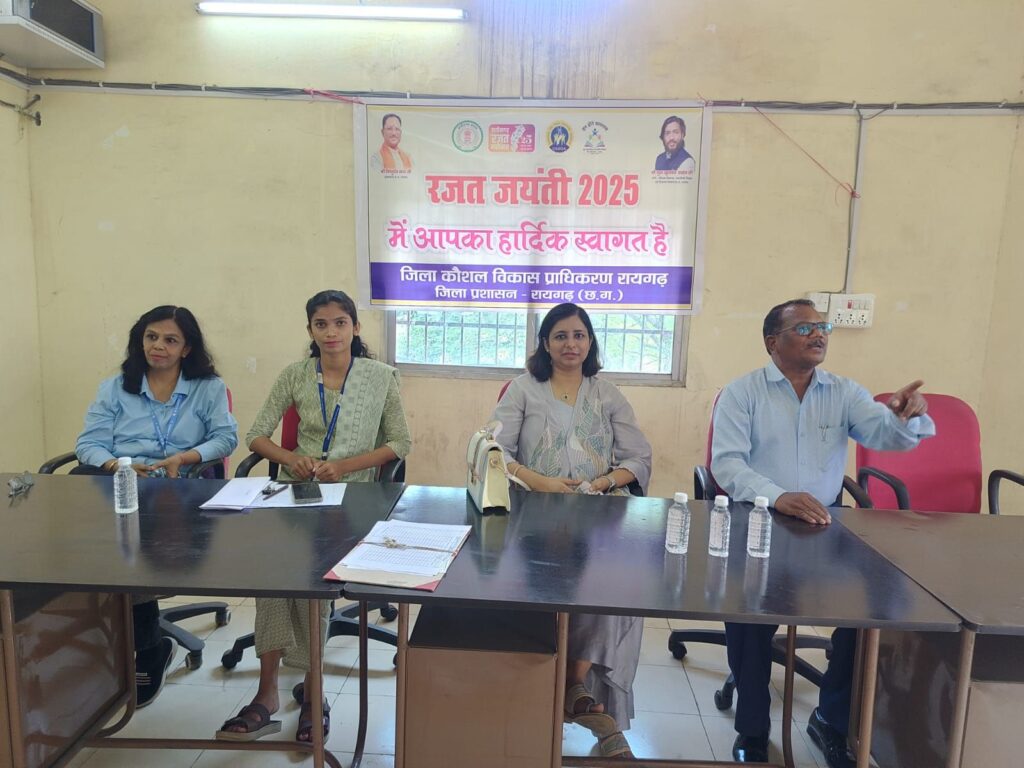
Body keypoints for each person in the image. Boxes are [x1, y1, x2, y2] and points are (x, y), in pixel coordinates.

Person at [710, 298, 935, 767]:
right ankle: (752, 729)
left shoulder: (844, 391)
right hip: (759, 520)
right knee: (747, 613)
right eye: (804, 328)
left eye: (822, 327)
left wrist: (903, 417)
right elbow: (727, 464)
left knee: (873, 604)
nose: (818, 334)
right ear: (772, 342)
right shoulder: (742, 393)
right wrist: (777, 496)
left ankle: (831, 718)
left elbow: (885, 437)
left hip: (825, 523)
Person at [218, 289, 411, 744]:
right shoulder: (295, 375)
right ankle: (267, 694)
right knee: (273, 576)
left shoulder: (381, 376)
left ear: (355, 328)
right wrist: (292, 458)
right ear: (310, 330)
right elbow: (255, 436)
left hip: (355, 497)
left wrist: (344, 466)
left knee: (313, 579)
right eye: (321, 324)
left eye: (340, 323)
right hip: (297, 494)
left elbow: (399, 442)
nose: (331, 332)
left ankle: (313, 692)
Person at [490, 302, 652, 759]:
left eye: (579, 335)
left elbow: (638, 458)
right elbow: (494, 450)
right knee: (541, 585)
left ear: (590, 342)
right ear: (545, 343)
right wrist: (536, 480)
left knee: (617, 587)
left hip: (597, 514)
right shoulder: (523, 390)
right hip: (532, 512)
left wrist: (602, 483)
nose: (570, 344)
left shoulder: (608, 394)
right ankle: (565, 694)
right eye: (560, 335)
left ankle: (573, 682)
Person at [75, 304, 238, 708]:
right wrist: (117, 466)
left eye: (170, 340)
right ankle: (94, 642)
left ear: (186, 348)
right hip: (123, 481)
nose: (158, 346)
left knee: (135, 546)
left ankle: (149, 647)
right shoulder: (116, 387)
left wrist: (184, 458)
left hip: (182, 485)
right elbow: (89, 444)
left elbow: (225, 439)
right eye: (151, 337)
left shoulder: (207, 388)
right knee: (92, 538)